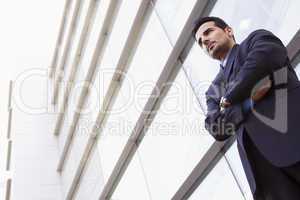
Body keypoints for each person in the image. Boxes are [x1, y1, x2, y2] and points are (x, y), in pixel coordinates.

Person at [193, 16, 300, 199]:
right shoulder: (213, 91)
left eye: (208, 32)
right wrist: (248, 101)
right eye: (201, 42)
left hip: (293, 138)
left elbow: (264, 60)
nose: (205, 41)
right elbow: (216, 128)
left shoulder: (256, 40)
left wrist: (228, 100)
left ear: (228, 31)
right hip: (264, 173)